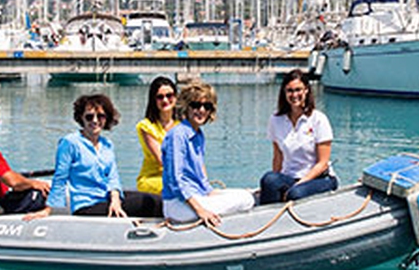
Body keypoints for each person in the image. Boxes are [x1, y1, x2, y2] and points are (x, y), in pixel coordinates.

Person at [160, 80, 256, 229]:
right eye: (196, 105)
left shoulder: (198, 135)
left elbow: (200, 179)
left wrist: (212, 192)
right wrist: (200, 210)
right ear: (186, 107)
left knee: (245, 195)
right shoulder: (177, 135)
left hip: (198, 196)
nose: (201, 110)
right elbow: (176, 181)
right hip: (178, 204)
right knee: (247, 200)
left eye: (207, 106)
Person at [49, 92, 161, 218]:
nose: (95, 121)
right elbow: (60, 178)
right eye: (89, 117)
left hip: (106, 198)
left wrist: (115, 200)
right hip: (86, 205)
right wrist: (49, 210)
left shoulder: (107, 145)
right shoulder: (70, 142)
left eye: (100, 116)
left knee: (153, 199)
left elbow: (113, 178)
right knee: (151, 204)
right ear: (81, 118)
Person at [259, 69, 337, 204]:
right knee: (268, 179)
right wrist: (272, 186)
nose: (294, 95)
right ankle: (269, 213)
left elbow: (322, 163)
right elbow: (278, 157)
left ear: (306, 90)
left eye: (298, 90)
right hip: (291, 177)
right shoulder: (276, 120)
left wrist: (300, 183)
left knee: (295, 193)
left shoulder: (318, 119)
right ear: (284, 93)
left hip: (319, 178)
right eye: (290, 91)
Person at [134, 76, 179, 200]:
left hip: (177, 177)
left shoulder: (182, 125)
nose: (165, 100)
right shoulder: (146, 126)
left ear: (176, 97)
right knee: (180, 187)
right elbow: (163, 160)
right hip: (153, 178)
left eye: (169, 95)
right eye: (160, 97)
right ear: (153, 100)